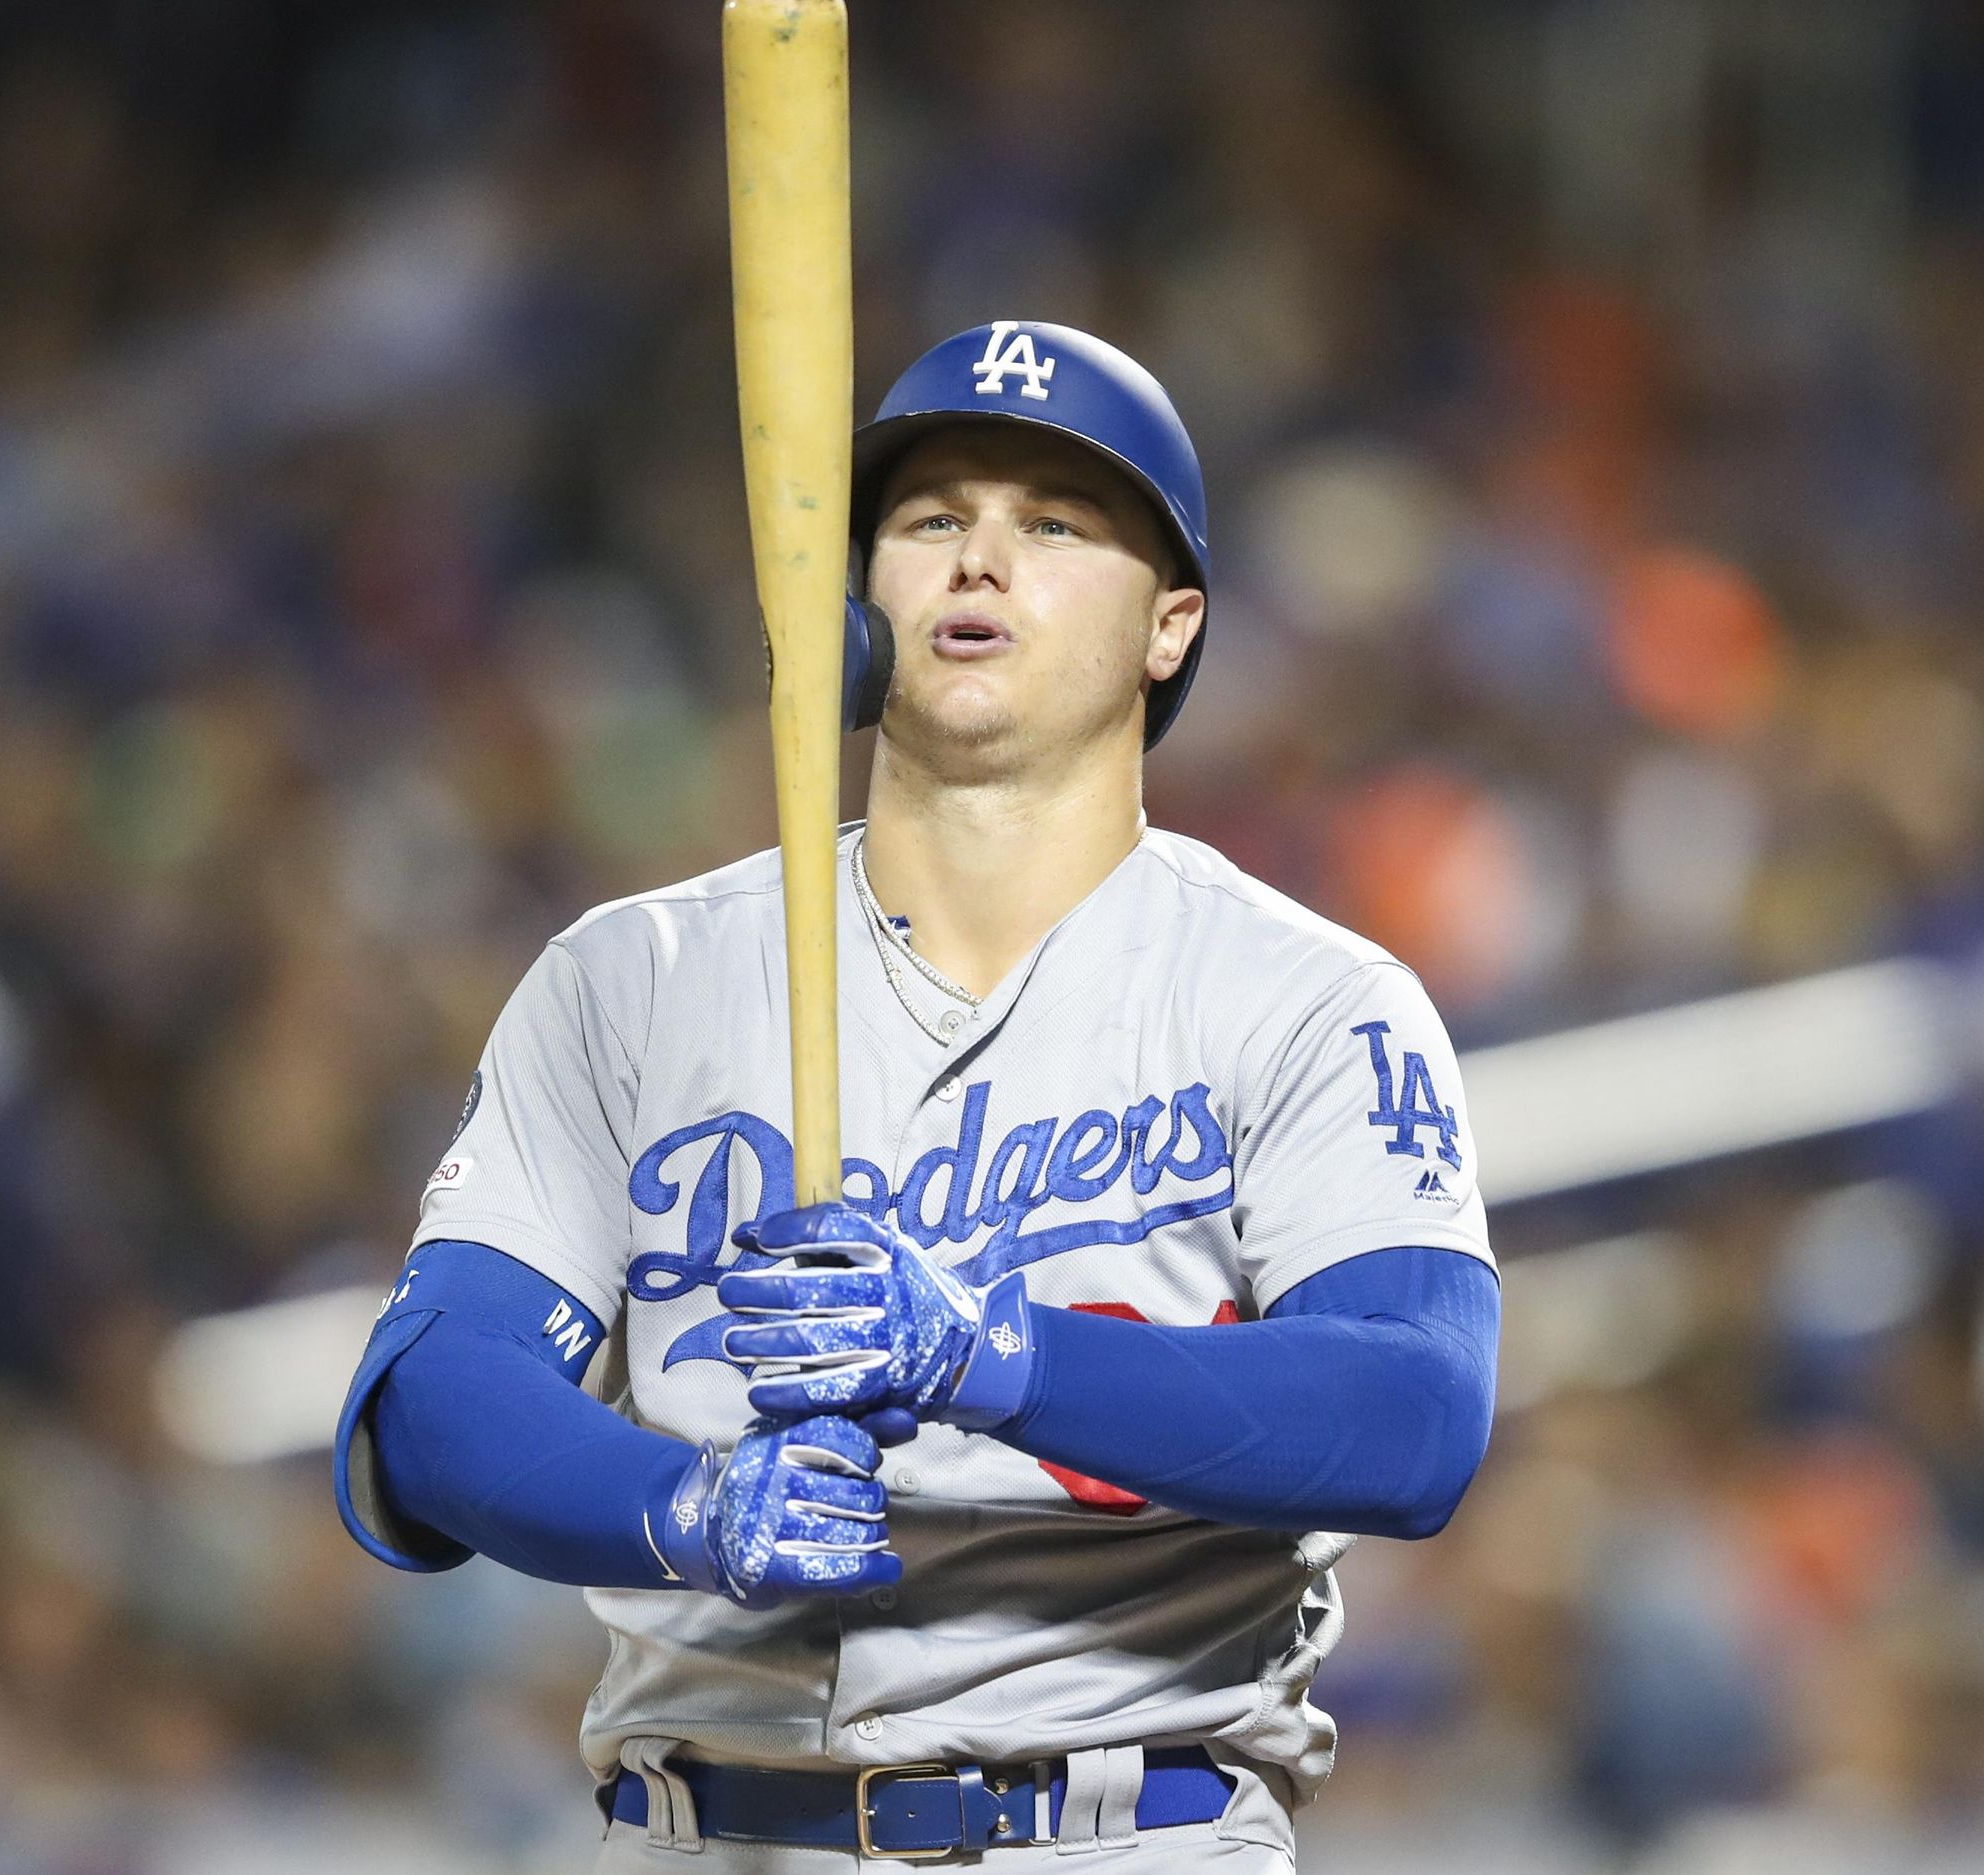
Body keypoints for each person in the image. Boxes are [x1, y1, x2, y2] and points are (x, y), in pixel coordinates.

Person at [333, 320, 1502, 1871]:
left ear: (1172, 626)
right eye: (933, 518)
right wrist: (686, 1506)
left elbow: (1416, 1414)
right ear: (858, 607)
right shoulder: (638, 974)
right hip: (705, 1828)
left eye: (1056, 525)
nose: (980, 560)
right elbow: (431, 1405)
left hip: (1113, 1827)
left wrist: (998, 1358)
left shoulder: (1304, 997)